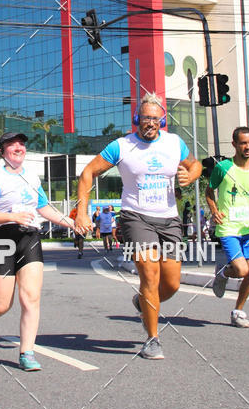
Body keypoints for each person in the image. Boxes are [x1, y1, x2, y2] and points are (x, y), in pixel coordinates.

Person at [76, 92, 202, 360]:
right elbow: (88, 172)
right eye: (145, 118)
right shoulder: (122, 146)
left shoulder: (174, 143)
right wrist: (82, 213)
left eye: (155, 119)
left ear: (162, 121)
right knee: (149, 275)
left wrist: (190, 176)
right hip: (136, 217)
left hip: (169, 218)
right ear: (137, 119)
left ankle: (141, 302)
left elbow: (196, 165)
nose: (150, 123)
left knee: (172, 284)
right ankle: (153, 339)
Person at [0, 131, 78, 372]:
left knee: (31, 297)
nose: (18, 147)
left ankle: (26, 353)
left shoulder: (32, 177)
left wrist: (72, 223)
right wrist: (12, 217)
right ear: (2, 151)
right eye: (12, 145)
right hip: (1, 240)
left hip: (29, 237)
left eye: (21, 144)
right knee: (2, 304)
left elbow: (43, 208)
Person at [206, 127, 249, 328]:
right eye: (243, 143)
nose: (247, 147)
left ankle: (238, 311)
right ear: (234, 144)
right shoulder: (223, 167)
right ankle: (223, 273)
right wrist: (214, 210)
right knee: (242, 270)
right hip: (229, 229)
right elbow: (209, 191)